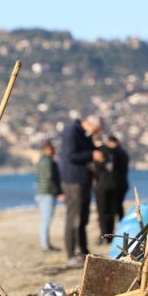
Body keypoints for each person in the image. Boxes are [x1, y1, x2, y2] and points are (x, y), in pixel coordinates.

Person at [59, 115, 104, 268]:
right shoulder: (71, 131)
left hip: (84, 180)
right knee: (73, 218)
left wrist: (95, 148)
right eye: (95, 131)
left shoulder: (85, 135)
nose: (94, 134)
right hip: (73, 181)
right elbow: (71, 156)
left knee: (83, 218)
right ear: (89, 124)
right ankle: (71, 255)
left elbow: (89, 151)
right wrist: (92, 155)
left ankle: (83, 251)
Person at [94, 135, 130, 243]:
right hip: (119, 185)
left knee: (103, 212)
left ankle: (106, 235)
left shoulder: (104, 151)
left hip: (104, 185)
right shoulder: (122, 153)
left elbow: (97, 168)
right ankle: (118, 233)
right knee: (116, 210)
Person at [35, 140, 62, 251]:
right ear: (46, 150)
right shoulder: (48, 162)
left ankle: (45, 243)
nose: (54, 151)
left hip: (42, 192)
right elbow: (49, 178)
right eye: (51, 149)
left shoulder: (41, 161)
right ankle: (45, 244)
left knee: (45, 219)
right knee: (46, 220)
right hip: (47, 193)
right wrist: (58, 192)